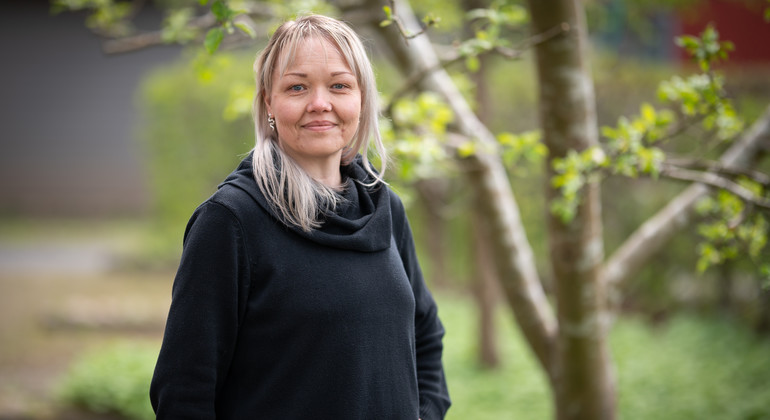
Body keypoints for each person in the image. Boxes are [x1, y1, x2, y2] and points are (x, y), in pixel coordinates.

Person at [149, 14, 451, 420]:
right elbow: (183, 391)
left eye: (340, 85)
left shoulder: (385, 208)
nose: (320, 103)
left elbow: (426, 338)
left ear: (362, 99)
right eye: (297, 87)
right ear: (269, 102)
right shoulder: (231, 222)